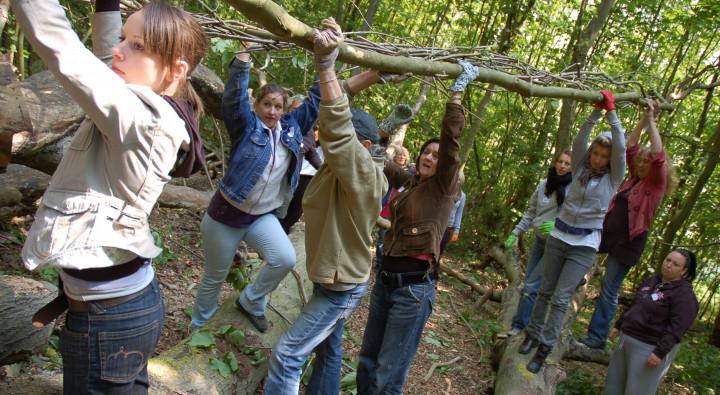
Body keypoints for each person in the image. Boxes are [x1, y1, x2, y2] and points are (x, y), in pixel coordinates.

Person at [14, 0, 207, 392]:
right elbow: (107, 57)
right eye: (123, 37)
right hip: (121, 310)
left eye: (137, 46)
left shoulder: (143, 119)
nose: (120, 50)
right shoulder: (152, 106)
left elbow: (66, 53)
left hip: (109, 320)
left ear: (176, 69)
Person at [191, 40, 383, 332]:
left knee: (284, 259)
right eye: (266, 105)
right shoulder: (247, 127)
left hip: (260, 217)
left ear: (284, 109)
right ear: (257, 106)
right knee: (215, 276)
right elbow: (233, 99)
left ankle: (251, 300)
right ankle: (199, 325)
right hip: (225, 216)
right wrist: (244, 53)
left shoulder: (292, 128)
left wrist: (373, 76)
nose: (272, 111)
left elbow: (325, 96)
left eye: (278, 106)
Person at [264, 18, 387, 394]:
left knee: (286, 356)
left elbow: (337, 128)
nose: (319, 137)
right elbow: (325, 114)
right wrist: (369, 74)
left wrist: (326, 65)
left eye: (330, 139)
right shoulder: (343, 169)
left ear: (362, 146)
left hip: (340, 286)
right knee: (328, 348)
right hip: (335, 278)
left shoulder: (363, 172)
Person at [356, 60, 480, 395]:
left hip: (413, 291)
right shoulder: (410, 182)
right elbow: (379, 162)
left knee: (388, 373)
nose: (429, 157)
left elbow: (452, 144)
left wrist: (456, 95)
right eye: (426, 153)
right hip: (384, 281)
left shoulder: (444, 189)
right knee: (368, 361)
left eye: (436, 156)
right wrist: (385, 130)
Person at [519, 90, 626, 374]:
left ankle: (545, 346)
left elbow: (623, 151)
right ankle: (532, 333)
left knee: (561, 298)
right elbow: (580, 140)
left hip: (584, 244)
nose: (599, 159)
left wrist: (612, 113)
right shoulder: (578, 169)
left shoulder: (613, 179)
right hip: (558, 236)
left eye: (605, 156)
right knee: (544, 291)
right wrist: (595, 112)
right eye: (596, 154)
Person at [579, 99, 675, 349]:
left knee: (609, 288)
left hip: (629, 242)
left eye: (646, 162)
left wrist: (653, 121)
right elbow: (629, 146)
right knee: (579, 260)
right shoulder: (632, 179)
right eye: (640, 161)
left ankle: (596, 338)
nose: (642, 164)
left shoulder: (655, 186)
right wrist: (644, 117)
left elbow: (658, 156)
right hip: (607, 233)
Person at [498, 150, 572, 339]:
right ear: (555, 163)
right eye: (560, 162)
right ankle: (527, 325)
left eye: (567, 163)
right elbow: (531, 213)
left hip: (557, 245)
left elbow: (576, 218)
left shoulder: (574, 190)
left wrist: (558, 225)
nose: (563, 166)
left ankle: (519, 326)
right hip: (540, 240)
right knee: (529, 284)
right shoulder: (543, 185)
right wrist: (515, 233)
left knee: (532, 286)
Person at [605, 249, 698, 395]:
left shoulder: (684, 295)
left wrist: (659, 353)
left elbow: (677, 329)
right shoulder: (652, 281)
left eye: (675, 264)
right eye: (668, 260)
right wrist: (618, 326)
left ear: (684, 270)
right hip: (627, 339)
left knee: (637, 390)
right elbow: (634, 304)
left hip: (649, 348)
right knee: (614, 385)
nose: (668, 265)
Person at [280, 124, 323, 234]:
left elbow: (312, 154)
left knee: (294, 213)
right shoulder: (296, 128)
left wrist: (323, 169)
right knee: (280, 210)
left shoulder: (314, 135)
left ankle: (281, 234)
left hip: (310, 178)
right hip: (290, 175)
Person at [440, 189, 467, 255]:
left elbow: (459, 214)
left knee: (440, 251)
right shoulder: (444, 188)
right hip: (437, 223)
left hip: (448, 227)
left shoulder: (462, 195)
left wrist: (456, 231)